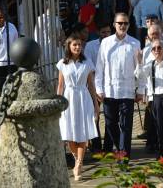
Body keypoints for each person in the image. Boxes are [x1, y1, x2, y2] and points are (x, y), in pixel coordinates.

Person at [95, 13, 144, 159]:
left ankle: (123, 158)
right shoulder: (106, 43)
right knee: (110, 125)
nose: (123, 26)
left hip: (127, 91)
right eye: (120, 23)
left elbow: (139, 71)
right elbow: (99, 68)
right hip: (109, 91)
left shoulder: (135, 43)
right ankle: (120, 150)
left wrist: (140, 90)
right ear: (114, 24)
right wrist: (99, 89)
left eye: (125, 23)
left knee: (126, 127)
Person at [56, 34, 100, 181]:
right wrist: (58, 103)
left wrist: (95, 105)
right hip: (68, 99)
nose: (77, 47)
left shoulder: (87, 63)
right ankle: (76, 157)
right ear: (69, 46)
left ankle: (79, 163)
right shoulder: (63, 63)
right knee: (69, 133)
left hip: (83, 98)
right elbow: (60, 85)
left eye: (79, 45)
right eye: (74, 44)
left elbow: (91, 85)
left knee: (82, 132)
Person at [84, 22, 114, 152]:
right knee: (94, 116)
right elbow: (89, 64)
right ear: (98, 33)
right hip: (94, 85)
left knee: (110, 117)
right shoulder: (91, 46)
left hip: (111, 85)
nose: (106, 35)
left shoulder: (114, 43)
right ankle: (96, 145)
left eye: (108, 32)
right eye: (103, 32)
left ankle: (108, 146)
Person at [34, 4, 65, 84]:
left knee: (59, 71)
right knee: (48, 73)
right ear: (48, 7)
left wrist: (61, 40)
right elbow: (37, 37)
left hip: (57, 49)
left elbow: (61, 33)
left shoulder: (57, 18)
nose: (56, 7)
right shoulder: (40, 19)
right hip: (45, 49)